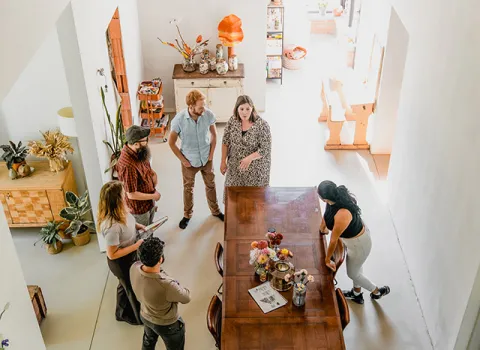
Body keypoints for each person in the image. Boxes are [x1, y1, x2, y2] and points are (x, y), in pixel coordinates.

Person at [318, 180, 390, 304]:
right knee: (357, 269)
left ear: (324, 198)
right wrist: (322, 228)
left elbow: (334, 240)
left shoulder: (342, 214)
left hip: (359, 244)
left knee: (352, 273)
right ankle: (356, 294)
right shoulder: (333, 199)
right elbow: (327, 214)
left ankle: (377, 291)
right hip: (354, 240)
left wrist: (327, 259)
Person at [168, 89, 224, 229]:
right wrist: (183, 160)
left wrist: (211, 154)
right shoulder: (179, 120)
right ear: (191, 106)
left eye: (204, 105)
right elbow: (171, 143)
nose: (203, 109)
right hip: (189, 160)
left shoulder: (208, 114)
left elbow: (214, 135)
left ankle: (216, 211)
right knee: (188, 188)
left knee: (211, 185)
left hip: (206, 157)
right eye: (200, 107)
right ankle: (187, 215)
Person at [97, 181, 146, 325]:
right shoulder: (111, 226)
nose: (126, 195)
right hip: (120, 262)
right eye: (123, 194)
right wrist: (136, 245)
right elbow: (112, 254)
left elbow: (129, 222)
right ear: (117, 200)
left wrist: (138, 226)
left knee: (123, 286)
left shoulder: (121, 210)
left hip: (128, 254)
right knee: (131, 288)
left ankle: (120, 312)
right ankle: (138, 318)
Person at [130, 237, 191, 350]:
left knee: (148, 341)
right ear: (160, 259)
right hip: (167, 325)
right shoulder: (167, 285)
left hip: (145, 315)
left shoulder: (134, 267)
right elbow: (186, 297)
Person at [221, 95, 272, 192]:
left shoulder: (262, 125)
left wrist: (249, 158)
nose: (245, 112)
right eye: (242, 109)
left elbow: (265, 149)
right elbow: (225, 142)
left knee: (253, 198)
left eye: (248, 109)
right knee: (233, 197)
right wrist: (223, 161)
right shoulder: (232, 121)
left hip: (256, 170)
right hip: (235, 167)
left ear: (252, 109)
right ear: (237, 109)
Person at [116, 125, 161, 226]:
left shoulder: (139, 152)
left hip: (148, 202)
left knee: (150, 228)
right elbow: (131, 194)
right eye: (145, 140)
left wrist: (153, 175)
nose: (147, 142)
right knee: (143, 234)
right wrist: (154, 196)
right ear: (136, 144)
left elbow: (147, 170)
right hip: (140, 210)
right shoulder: (128, 166)